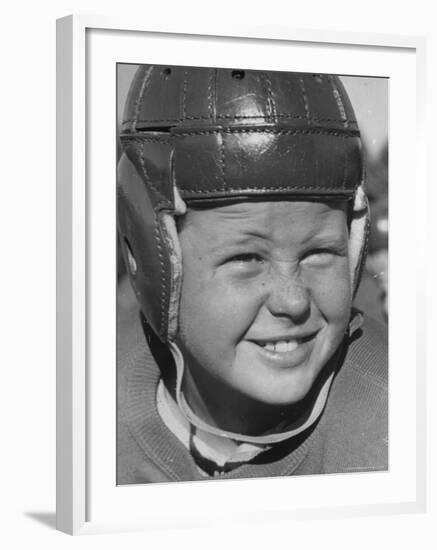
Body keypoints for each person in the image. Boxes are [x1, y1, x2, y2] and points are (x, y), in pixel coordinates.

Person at [116, 65, 388, 483]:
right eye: (247, 259)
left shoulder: (401, 421)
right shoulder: (71, 406)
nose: (293, 301)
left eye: (320, 253)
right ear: (154, 258)